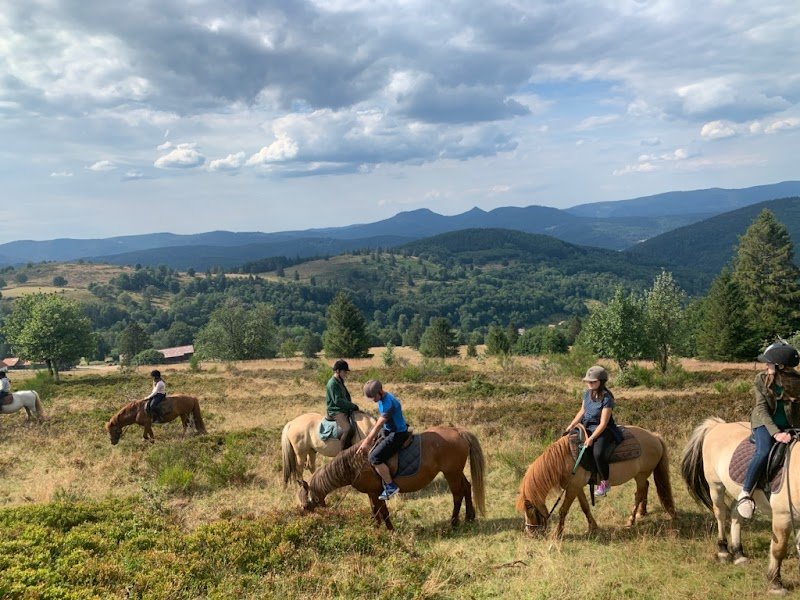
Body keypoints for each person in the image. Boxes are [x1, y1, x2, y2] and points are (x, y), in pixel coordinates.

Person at [737, 341, 800, 519]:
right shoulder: (761, 379)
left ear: (780, 366)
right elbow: (762, 409)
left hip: (791, 425)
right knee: (763, 451)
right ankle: (746, 493)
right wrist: (775, 433)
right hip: (764, 424)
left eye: (769, 362)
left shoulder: (798, 383)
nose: (766, 365)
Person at [564, 365, 623, 497]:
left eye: (592, 382)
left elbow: (603, 423)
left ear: (601, 382)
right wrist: (571, 425)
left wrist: (591, 439)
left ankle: (605, 482)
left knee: (598, 453)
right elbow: (582, 411)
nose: (589, 384)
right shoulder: (586, 394)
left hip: (603, 430)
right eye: (588, 382)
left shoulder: (607, 398)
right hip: (587, 427)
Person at [358, 380, 410, 501]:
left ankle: (390, 486)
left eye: (374, 397)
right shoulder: (382, 399)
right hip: (388, 430)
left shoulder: (389, 403)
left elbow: (379, 424)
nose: (374, 400)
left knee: (374, 458)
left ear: (380, 392)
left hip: (397, 434)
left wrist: (367, 441)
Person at [325, 359, 360, 449]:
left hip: (343, 409)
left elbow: (346, 397)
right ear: (338, 371)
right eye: (344, 371)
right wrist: (352, 406)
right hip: (336, 411)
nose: (346, 374)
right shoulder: (332, 383)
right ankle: (342, 454)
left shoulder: (340, 382)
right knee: (347, 429)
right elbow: (338, 401)